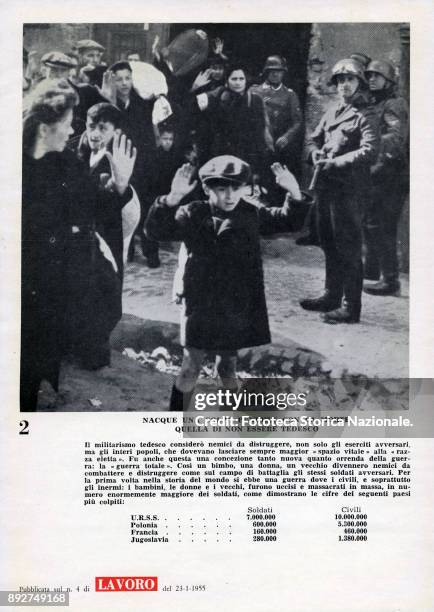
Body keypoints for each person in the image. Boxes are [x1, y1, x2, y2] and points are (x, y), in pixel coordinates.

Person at [145, 156, 312, 411]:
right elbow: (156, 231)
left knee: (228, 366)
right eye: (221, 189)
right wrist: (171, 199)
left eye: (236, 188)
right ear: (207, 189)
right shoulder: (193, 213)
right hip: (200, 303)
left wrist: (294, 193)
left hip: (235, 304)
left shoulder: (251, 213)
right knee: (191, 365)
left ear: (245, 187)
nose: (230, 196)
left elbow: (289, 221)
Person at [21, 80, 137, 410]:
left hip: (54, 285)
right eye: (69, 122)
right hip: (21, 285)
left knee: (44, 359)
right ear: (45, 128)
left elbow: (93, 208)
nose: (73, 130)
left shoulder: (67, 162)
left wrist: (119, 186)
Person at [300, 58, 378, 324]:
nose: (344, 85)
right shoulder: (333, 111)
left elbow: (370, 150)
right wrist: (315, 154)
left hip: (350, 190)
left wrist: (337, 161)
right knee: (329, 243)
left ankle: (350, 306)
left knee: (348, 247)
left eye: (350, 80)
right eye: (340, 81)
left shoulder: (366, 115)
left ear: (360, 83)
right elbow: (313, 137)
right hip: (326, 188)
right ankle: (331, 295)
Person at [363, 60, 409, 295]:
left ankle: (391, 280)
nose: (371, 79)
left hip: (392, 174)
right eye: (369, 75)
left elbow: (395, 137)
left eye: (377, 76)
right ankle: (372, 269)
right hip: (380, 173)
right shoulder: (378, 102)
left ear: (389, 80)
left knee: (383, 226)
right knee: (371, 221)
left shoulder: (393, 104)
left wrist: (377, 163)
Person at [77, 102, 141, 272]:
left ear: (116, 131)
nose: (95, 134)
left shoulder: (122, 158)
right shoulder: (74, 153)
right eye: (91, 127)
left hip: (108, 235)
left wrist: (120, 186)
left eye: (102, 128)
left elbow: (128, 208)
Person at [194, 63, 271, 177]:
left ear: (246, 80)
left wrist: (256, 169)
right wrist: (195, 88)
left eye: (241, 79)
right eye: (234, 79)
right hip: (220, 153)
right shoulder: (217, 95)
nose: (238, 82)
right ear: (227, 81)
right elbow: (192, 108)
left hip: (246, 154)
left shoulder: (255, 100)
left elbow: (259, 134)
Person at [251, 55, 303, 176]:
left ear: (283, 73)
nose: (275, 74)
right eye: (272, 71)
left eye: (279, 71)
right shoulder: (255, 91)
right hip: (258, 143)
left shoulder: (290, 95)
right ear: (266, 72)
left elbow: (298, 121)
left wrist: (287, 137)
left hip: (279, 145)